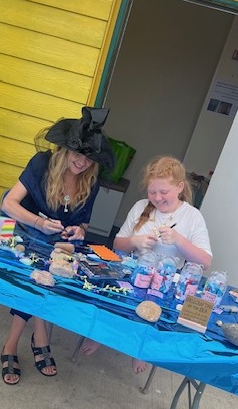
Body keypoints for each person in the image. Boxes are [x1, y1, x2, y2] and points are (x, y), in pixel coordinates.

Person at [0, 107, 115, 385]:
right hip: (23, 230)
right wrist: (39, 224)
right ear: (65, 150)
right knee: (41, 273)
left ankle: (15, 343)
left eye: (89, 158)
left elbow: (84, 224)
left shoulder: (91, 180)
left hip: (56, 242)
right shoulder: (42, 164)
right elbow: (8, 204)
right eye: (77, 154)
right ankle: (34, 338)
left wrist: (79, 230)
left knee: (56, 269)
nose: (82, 162)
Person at [81, 155, 212, 373]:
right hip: (132, 273)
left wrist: (179, 241)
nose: (157, 198)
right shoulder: (142, 206)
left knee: (152, 311)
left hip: (163, 282)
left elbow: (205, 261)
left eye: (164, 192)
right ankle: (103, 335)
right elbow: (117, 245)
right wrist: (135, 241)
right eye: (153, 192)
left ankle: (137, 349)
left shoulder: (192, 216)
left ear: (180, 187)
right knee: (116, 298)